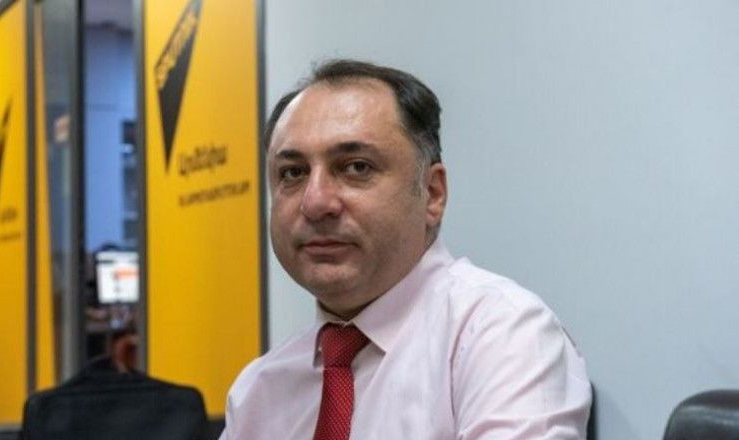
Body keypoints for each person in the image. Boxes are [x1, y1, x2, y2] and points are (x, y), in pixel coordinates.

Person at [220, 59, 592, 439]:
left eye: (356, 167)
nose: (315, 202)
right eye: (293, 173)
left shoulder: (501, 334)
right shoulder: (258, 393)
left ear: (432, 193)